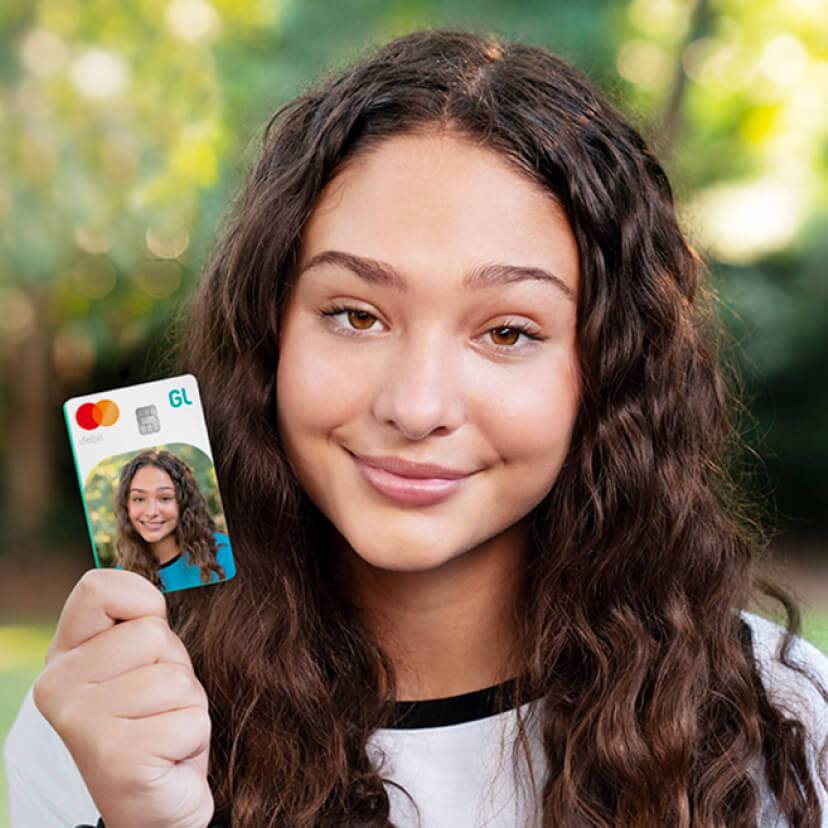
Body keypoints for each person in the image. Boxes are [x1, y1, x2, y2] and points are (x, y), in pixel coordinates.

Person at [4, 29, 827, 828]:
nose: (417, 404)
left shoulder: (783, 728)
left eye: (507, 332)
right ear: (269, 335)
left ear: (610, 369)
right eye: (355, 315)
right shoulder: (104, 723)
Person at [113, 449, 234, 593]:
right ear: (126, 506)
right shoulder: (121, 579)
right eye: (139, 499)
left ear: (184, 502)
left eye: (165, 498)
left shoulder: (222, 551)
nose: (151, 512)